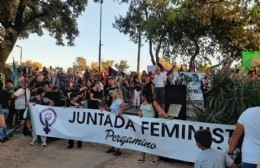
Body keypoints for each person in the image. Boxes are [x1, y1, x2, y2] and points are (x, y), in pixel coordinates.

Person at [137, 89, 169, 165]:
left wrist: (167, 117)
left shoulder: (153, 102)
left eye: (142, 94)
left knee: (153, 141)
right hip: (143, 125)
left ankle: (156, 158)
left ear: (145, 95)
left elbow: (160, 111)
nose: (141, 96)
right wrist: (139, 113)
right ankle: (142, 156)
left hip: (152, 125)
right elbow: (140, 111)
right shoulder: (142, 102)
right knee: (142, 140)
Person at [103, 89, 125, 156]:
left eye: (113, 93)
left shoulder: (118, 100)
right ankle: (113, 147)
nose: (112, 94)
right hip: (112, 119)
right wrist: (104, 107)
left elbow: (123, 107)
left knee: (116, 134)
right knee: (112, 133)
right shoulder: (115, 100)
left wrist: (120, 112)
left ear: (116, 93)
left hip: (117, 119)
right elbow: (111, 109)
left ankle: (118, 150)